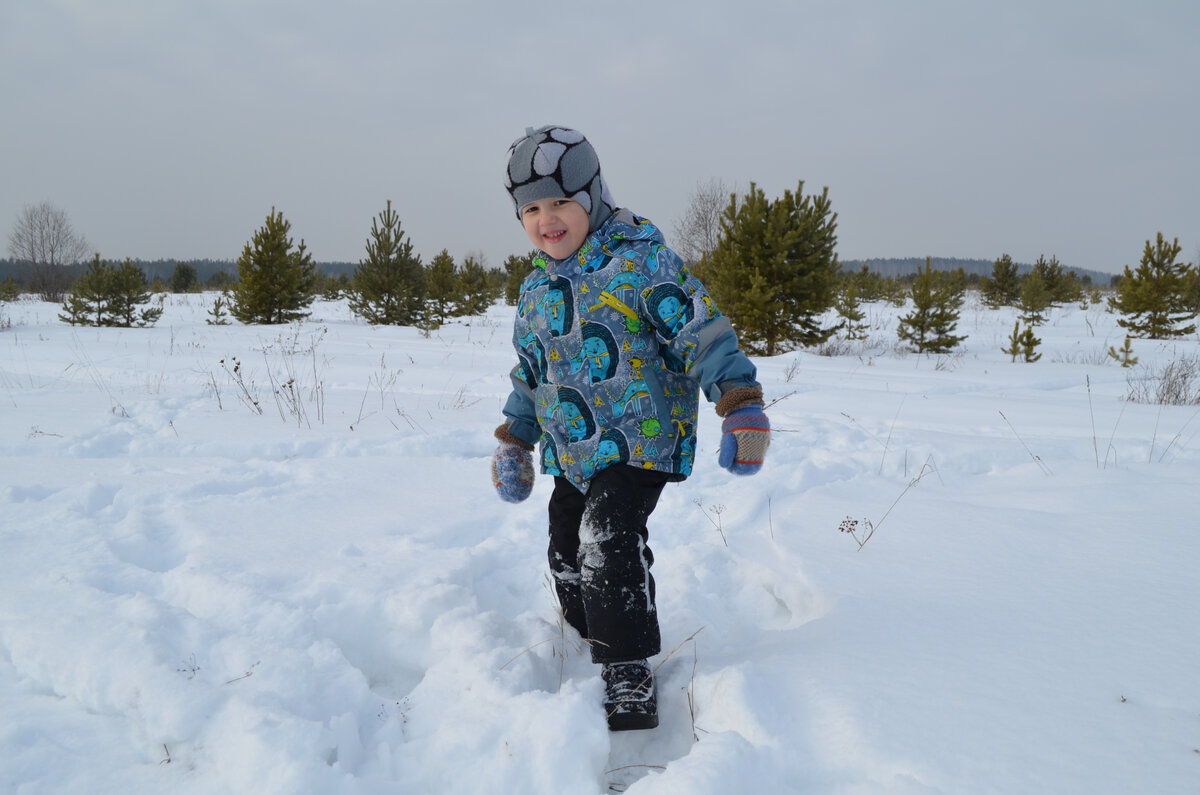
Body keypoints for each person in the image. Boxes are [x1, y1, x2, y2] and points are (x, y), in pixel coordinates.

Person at [490, 125, 770, 731]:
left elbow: (703, 332)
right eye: (531, 208)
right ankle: (593, 631)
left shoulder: (639, 263)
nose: (547, 219)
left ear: (591, 197)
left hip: (642, 437)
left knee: (605, 535)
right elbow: (530, 372)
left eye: (560, 202)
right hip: (573, 449)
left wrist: (739, 402)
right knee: (566, 549)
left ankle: (628, 668)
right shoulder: (535, 288)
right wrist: (515, 438)